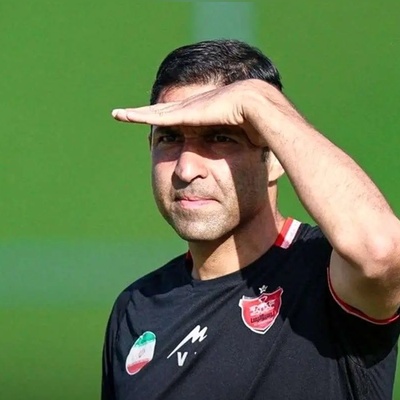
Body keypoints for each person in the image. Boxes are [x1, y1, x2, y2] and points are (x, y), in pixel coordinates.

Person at [102, 39, 400, 400]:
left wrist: (256, 101)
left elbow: (382, 250)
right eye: (170, 138)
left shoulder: (326, 272)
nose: (186, 168)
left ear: (275, 160)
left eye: (220, 137)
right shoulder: (136, 308)